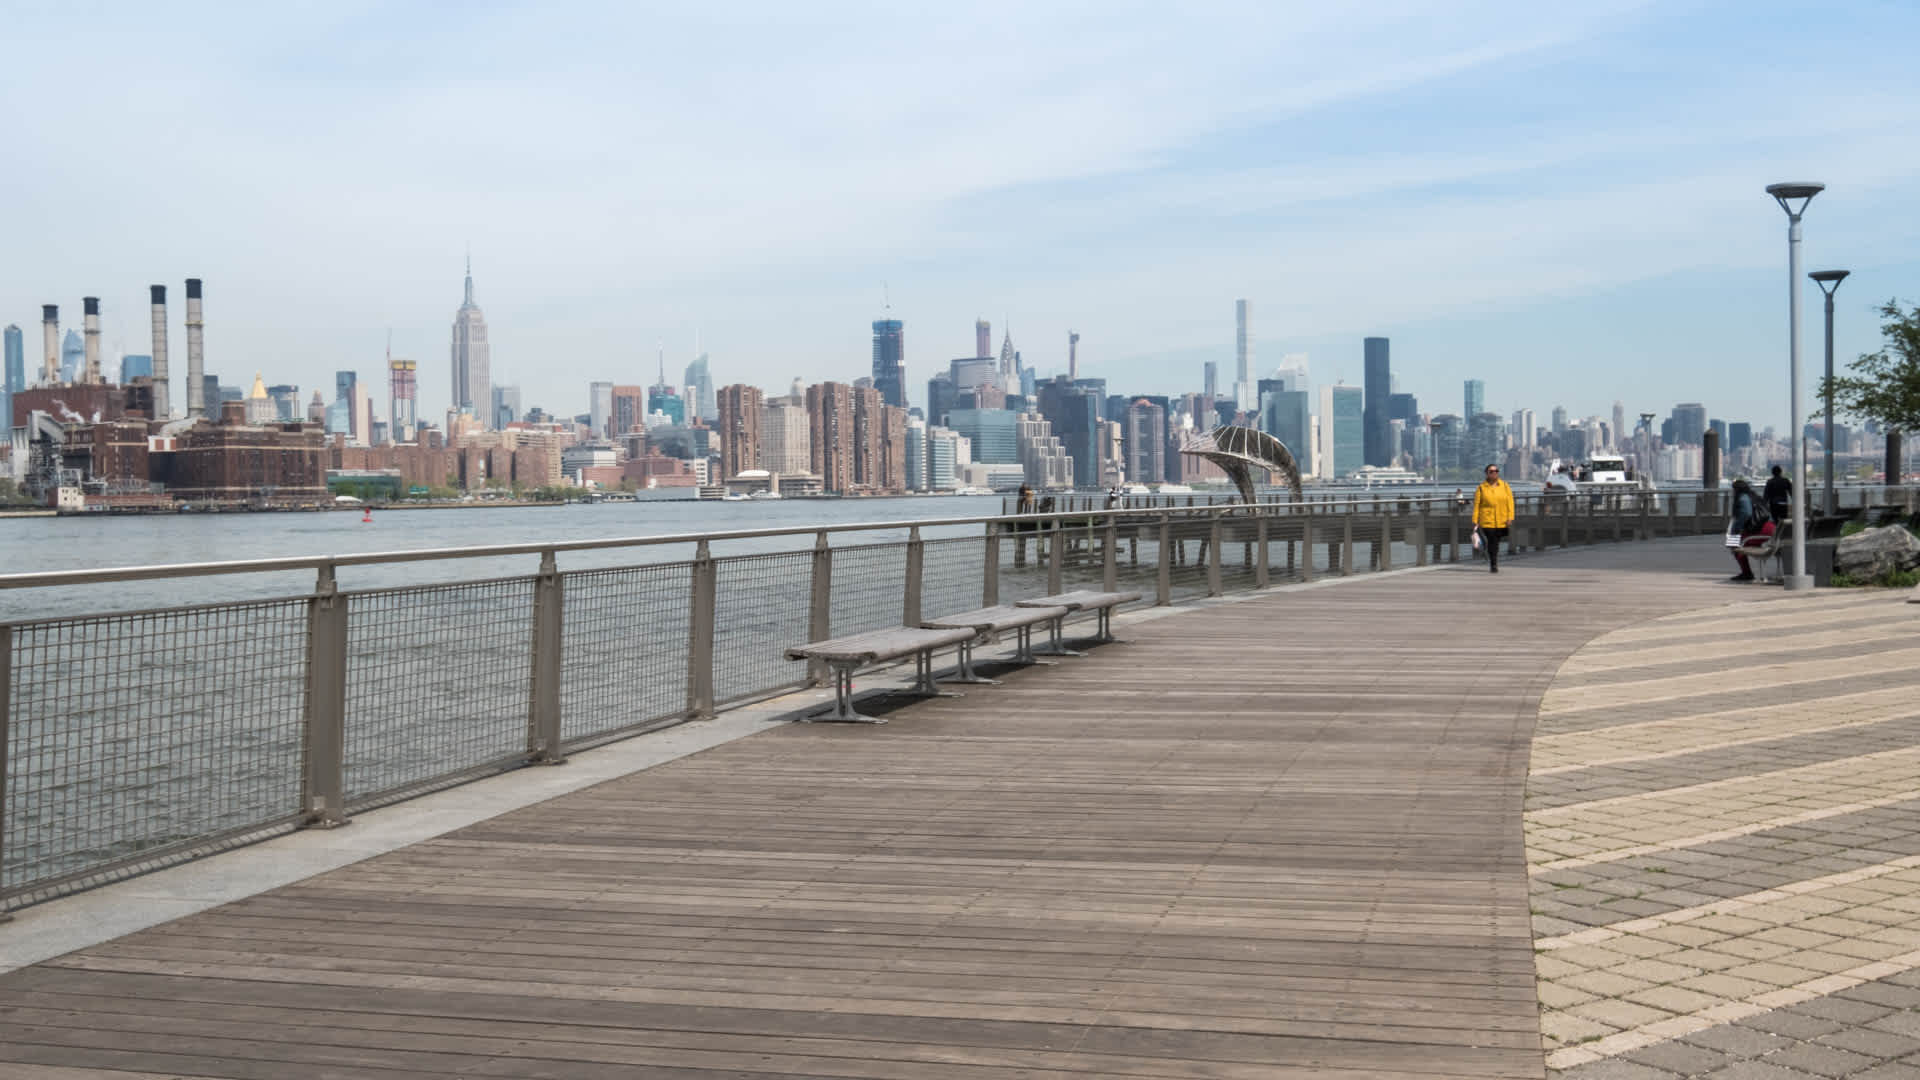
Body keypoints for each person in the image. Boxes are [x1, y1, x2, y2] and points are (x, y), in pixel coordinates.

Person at [1727, 477, 1776, 582]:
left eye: (1733, 490)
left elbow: (1746, 513)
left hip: (1761, 529)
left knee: (1733, 543)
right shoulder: (1753, 496)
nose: (1732, 492)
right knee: (1736, 542)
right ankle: (1746, 572)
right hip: (1769, 528)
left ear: (1736, 490)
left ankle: (1747, 573)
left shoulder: (1742, 498)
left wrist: (1736, 529)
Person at [1471, 463, 1515, 573]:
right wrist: (1475, 520)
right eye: (1491, 471)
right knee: (1492, 540)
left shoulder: (1505, 486)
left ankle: (1492, 558)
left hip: (1501, 519)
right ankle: (1493, 564)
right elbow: (1477, 505)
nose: (1494, 473)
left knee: (1496, 542)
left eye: (1496, 471)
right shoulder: (1481, 488)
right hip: (1487, 520)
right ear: (1487, 473)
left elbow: (1510, 503)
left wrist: (1510, 517)